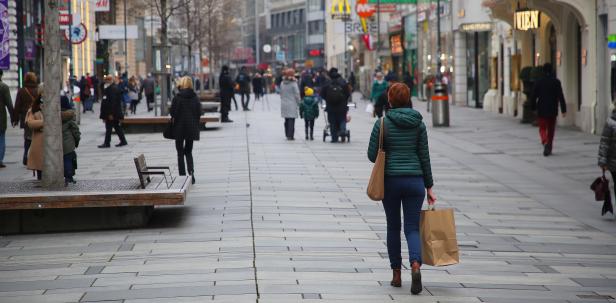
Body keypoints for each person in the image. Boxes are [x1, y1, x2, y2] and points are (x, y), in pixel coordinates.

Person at [367, 83, 436, 295]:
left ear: (390, 100)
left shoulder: (383, 123)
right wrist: (429, 186)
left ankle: (396, 274)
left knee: (393, 227)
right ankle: (415, 264)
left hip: (390, 181)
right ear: (408, 100)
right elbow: (424, 156)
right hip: (415, 181)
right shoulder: (419, 124)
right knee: (412, 227)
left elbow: (372, 155)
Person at [170, 76, 202, 184]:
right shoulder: (195, 97)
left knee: (180, 152)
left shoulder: (177, 98)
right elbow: (199, 112)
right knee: (188, 151)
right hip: (191, 128)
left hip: (179, 128)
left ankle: (182, 176)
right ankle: (191, 173)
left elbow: (172, 113)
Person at [531, 63, 567, 156]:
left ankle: (545, 141)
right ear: (552, 71)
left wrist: (533, 107)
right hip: (552, 109)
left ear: (543, 71)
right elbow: (560, 96)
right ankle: (549, 146)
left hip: (542, 109)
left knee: (542, 128)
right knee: (551, 129)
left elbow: (534, 96)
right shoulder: (556, 82)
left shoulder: (539, 82)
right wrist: (563, 109)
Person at [14, 72, 39, 166]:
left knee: (27, 137)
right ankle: (34, 156)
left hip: (26, 117)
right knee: (36, 136)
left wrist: (15, 119)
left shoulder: (22, 90)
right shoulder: (37, 90)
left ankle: (25, 155)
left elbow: (17, 106)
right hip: (37, 116)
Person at [320, 67, 350, 143]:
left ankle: (334, 138)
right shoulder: (343, 82)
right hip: (342, 107)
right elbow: (348, 94)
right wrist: (343, 100)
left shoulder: (327, 83)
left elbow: (322, 94)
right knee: (342, 119)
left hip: (331, 107)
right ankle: (342, 131)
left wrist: (328, 99)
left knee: (332, 122)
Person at [98, 76, 128, 148]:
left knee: (109, 128)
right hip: (112, 112)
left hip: (112, 113)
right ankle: (123, 141)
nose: (106, 81)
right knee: (116, 127)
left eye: (108, 80)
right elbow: (101, 87)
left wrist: (111, 114)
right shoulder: (109, 88)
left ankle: (107, 143)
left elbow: (113, 102)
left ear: (111, 80)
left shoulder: (112, 89)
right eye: (105, 80)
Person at [25, 84, 44, 179]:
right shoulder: (34, 108)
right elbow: (30, 122)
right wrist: (44, 123)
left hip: (52, 143)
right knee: (40, 168)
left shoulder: (55, 105)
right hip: (39, 142)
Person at [61, 96, 80, 185]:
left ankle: (64, 176)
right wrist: (77, 140)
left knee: (63, 160)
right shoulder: (69, 116)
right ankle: (69, 177)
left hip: (57, 142)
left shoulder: (54, 116)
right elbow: (75, 131)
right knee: (68, 159)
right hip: (68, 143)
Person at [280, 68, 301, 140]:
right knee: (291, 120)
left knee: (286, 120)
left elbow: (281, 93)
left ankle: (287, 134)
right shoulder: (294, 83)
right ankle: (290, 135)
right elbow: (297, 94)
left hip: (284, 103)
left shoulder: (282, 83)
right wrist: (299, 103)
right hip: (292, 103)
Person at [0, 70, 15, 168]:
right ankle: (0, 160)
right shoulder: (3, 87)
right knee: (1, 138)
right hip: (0, 117)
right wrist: (13, 117)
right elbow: (9, 103)